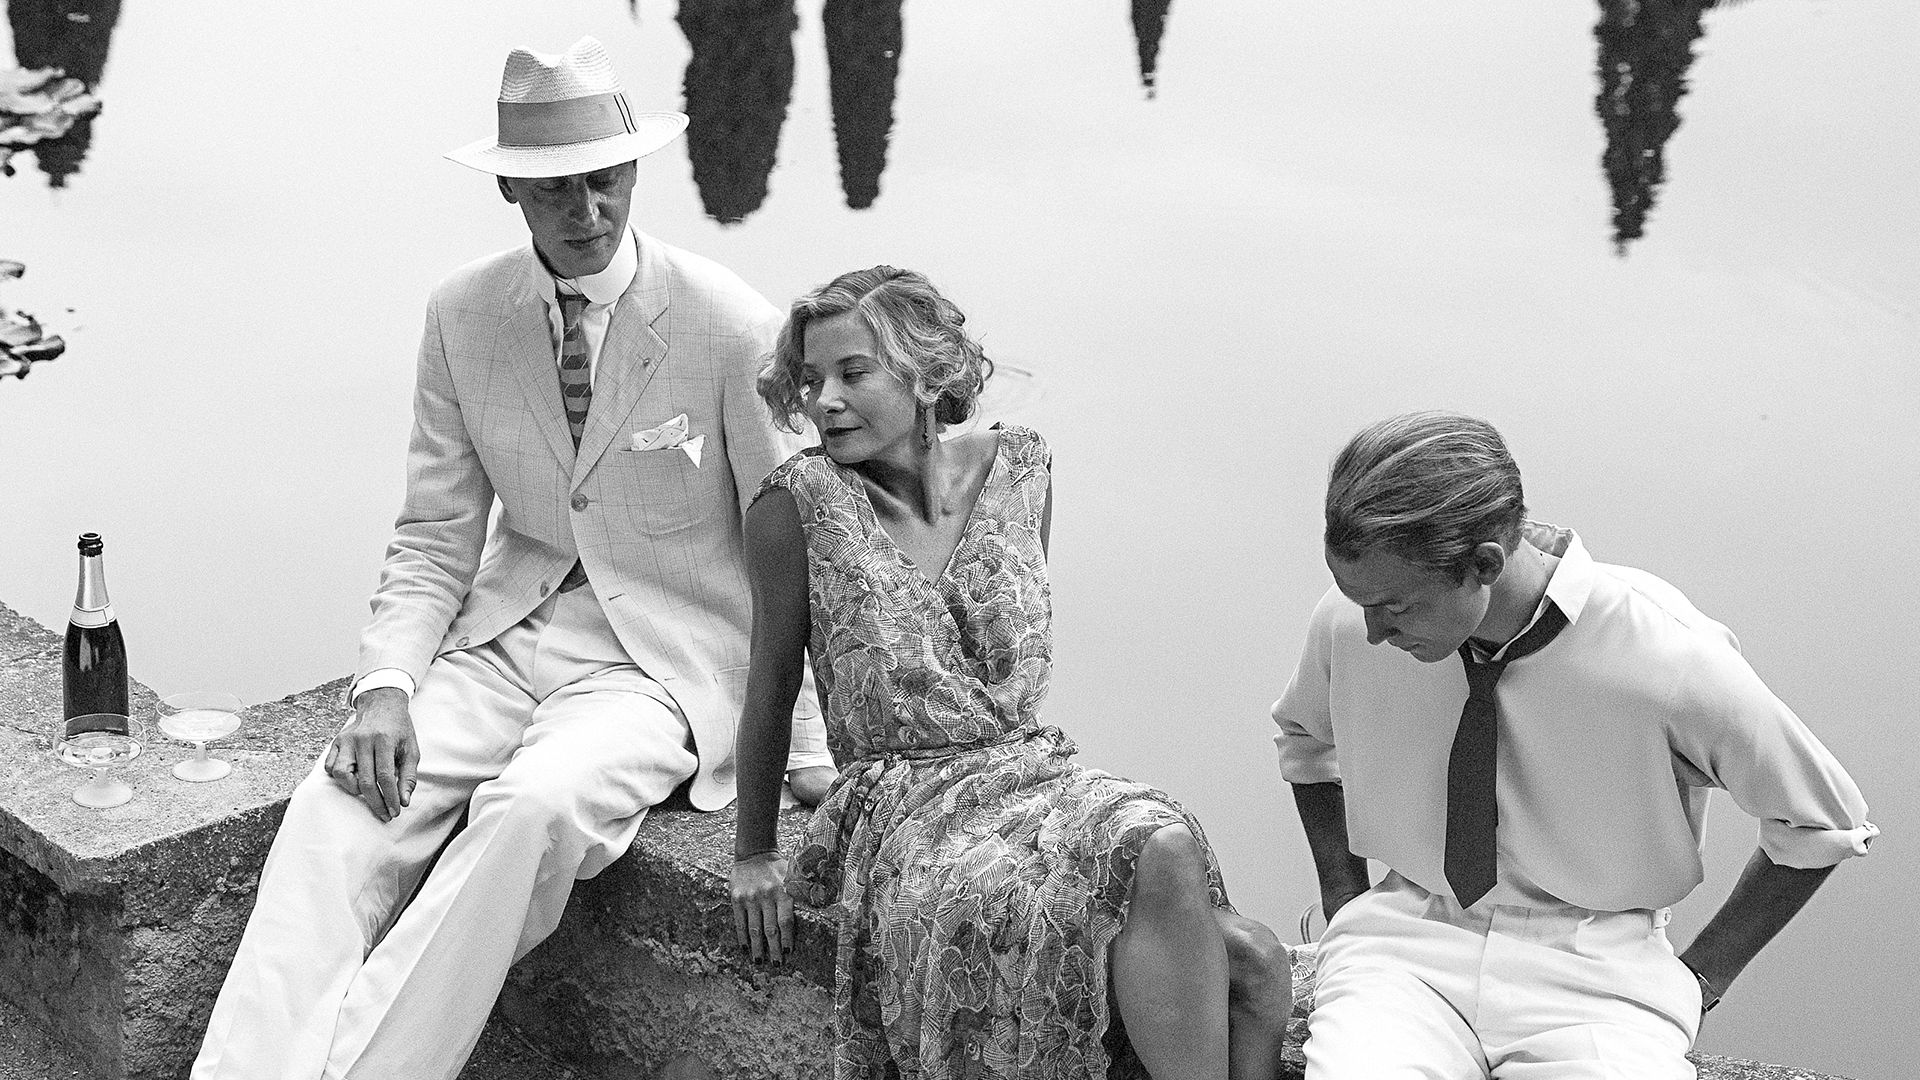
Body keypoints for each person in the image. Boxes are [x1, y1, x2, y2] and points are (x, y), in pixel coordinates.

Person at [191, 37, 836, 1080]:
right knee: (335, 811)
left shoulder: (729, 323)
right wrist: (386, 685)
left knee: (530, 813)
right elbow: (436, 531)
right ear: (509, 189)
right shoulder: (462, 313)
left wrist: (802, 744)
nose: (587, 209)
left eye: (604, 179)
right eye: (555, 189)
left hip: (658, 665)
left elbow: (793, 554)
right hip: (503, 636)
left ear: (634, 171)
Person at [727, 266, 1293, 1080]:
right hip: (909, 808)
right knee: (1193, 914)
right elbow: (771, 686)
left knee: (1192, 878)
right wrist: (753, 851)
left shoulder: (1022, 470)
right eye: (812, 380)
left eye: (853, 374)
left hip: (1036, 776)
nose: (825, 402)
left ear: (925, 377)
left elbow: (1002, 646)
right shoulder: (796, 504)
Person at [1273, 410, 1877, 1079]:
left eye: (1394, 608)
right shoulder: (1352, 619)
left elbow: (1820, 821)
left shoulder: (1665, 653)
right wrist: (1343, 898)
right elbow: (1306, 743)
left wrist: (1703, 977)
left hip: (1599, 974)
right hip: (1402, 950)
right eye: (1358, 600)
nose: (1372, 631)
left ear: (1484, 563)